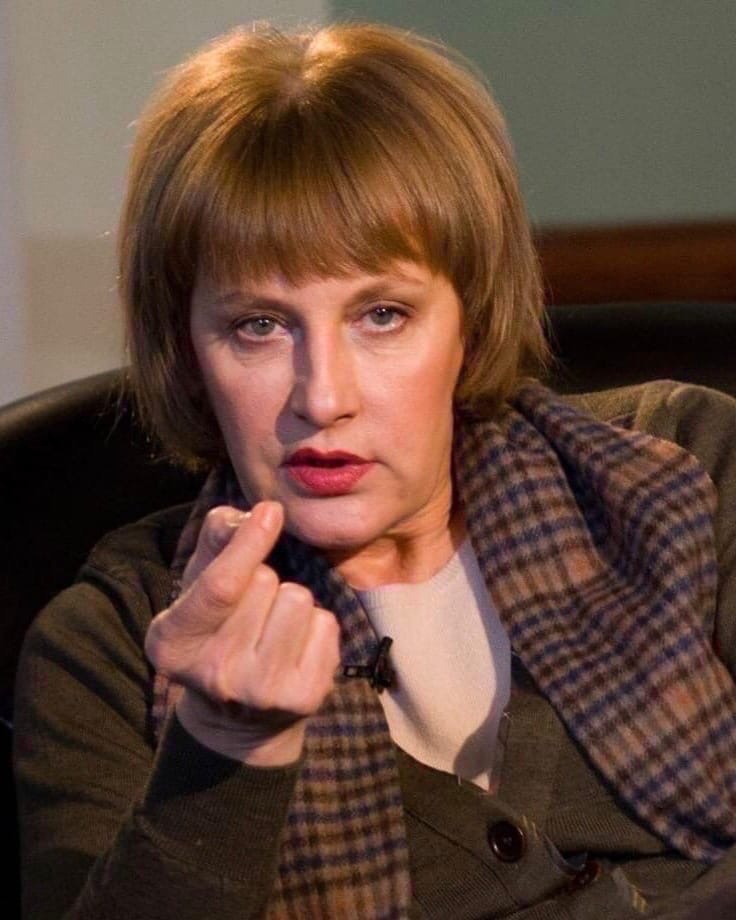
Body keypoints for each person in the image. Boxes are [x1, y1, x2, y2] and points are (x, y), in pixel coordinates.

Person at [13, 21, 736, 920]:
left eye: (382, 315)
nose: (324, 398)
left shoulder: (686, 468)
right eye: (259, 326)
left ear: (470, 317)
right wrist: (223, 745)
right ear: (187, 351)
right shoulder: (110, 645)